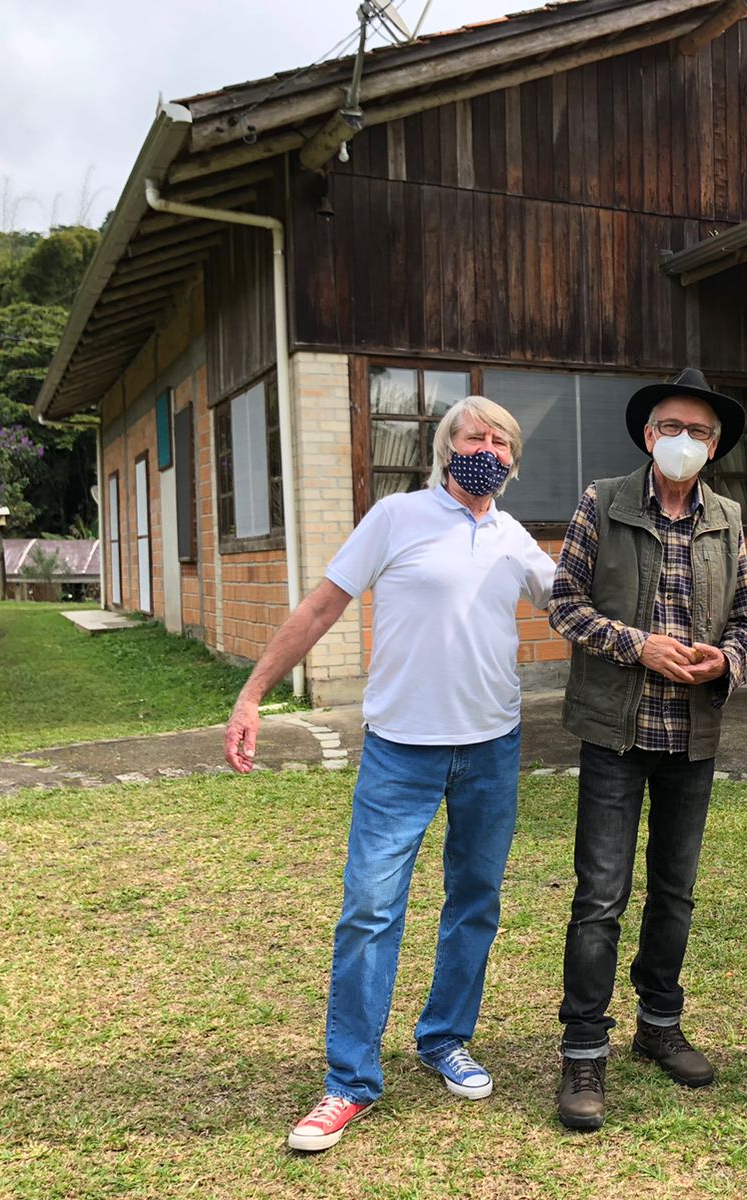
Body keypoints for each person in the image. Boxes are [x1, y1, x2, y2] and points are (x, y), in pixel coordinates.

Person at [221, 396, 556, 1153]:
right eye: (477, 435)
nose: (491, 448)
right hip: (401, 750)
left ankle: (444, 1039)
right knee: (370, 909)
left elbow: (575, 604)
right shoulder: (395, 518)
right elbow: (319, 607)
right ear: (445, 447)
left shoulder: (513, 538)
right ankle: (349, 1081)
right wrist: (252, 695)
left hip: (492, 750)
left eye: (504, 441)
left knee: (475, 899)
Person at [549, 367, 747, 1131]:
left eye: (699, 433)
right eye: (671, 428)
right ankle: (583, 1051)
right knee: (599, 897)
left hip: (692, 736)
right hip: (616, 730)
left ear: (713, 448)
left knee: (676, 891)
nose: (684, 441)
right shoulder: (601, 501)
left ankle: (660, 1027)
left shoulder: (726, 519)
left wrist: (725, 662)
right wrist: (639, 647)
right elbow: (565, 607)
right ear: (648, 435)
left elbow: (745, 621)